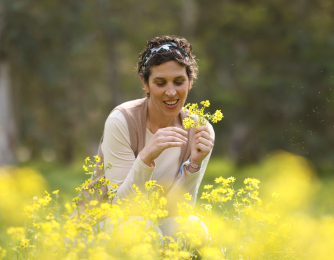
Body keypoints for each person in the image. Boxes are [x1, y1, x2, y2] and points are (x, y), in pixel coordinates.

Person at [78, 36, 215, 248]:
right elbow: (121, 207)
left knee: (194, 229)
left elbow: (179, 211)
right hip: (103, 224)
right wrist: (145, 157)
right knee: (142, 230)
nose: (171, 92)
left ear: (190, 82)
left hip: (154, 224)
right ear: (146, 83)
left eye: (179, 82)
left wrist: (193, 166)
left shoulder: (199, 129)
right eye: (160, 83)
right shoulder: (122, 121)